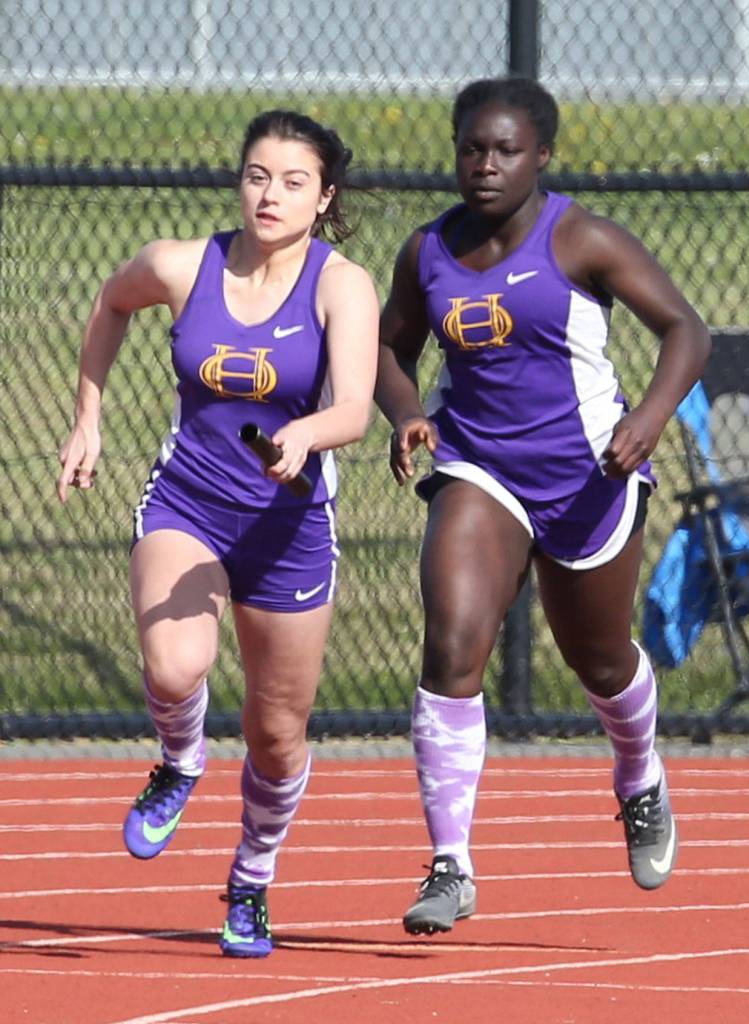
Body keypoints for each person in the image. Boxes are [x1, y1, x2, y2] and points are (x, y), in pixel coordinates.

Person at [375, 76, 711, 936]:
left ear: (541, 158)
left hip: (587, 475)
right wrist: (409, 413)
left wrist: (646, 419)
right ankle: (450, 864)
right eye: (470, 149)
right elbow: (389, 347)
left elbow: (686, 331)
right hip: (477, 467)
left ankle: (637, 773)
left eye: (504, 151)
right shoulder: (426, 251)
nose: (484, 166)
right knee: (451, 640)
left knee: (597, 660)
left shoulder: (582, 238)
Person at [56, 110, 379, 957]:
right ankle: (181, 758)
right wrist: (86, 420)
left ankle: (251, 880)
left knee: (277, 734)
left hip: (289, 527)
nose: (271, 194)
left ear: (324, 196)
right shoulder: (180, 264)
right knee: (175, 664)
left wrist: (306, 435)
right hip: (188, 503)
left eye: (293, 181)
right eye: (257, 175)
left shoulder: (339, 284)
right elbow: (109, 304)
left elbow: (352, 404)